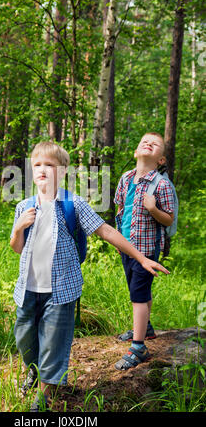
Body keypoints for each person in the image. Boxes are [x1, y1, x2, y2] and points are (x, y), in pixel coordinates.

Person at [10, 141, 169, 411]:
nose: (42, 170)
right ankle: (33, 370)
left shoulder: (73, 204)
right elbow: (18, 248)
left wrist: (141, 257)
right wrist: (18, 229)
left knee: (54, 341)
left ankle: (45, 396)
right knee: (24, 337)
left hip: (61, 289)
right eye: (37, 164)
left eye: (50, 165)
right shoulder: (24, 206)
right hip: (27, 289)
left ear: (62, 172)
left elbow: (106, 231)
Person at [114, 132, 175, 371]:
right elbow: (120, 206)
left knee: (138, 295)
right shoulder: (126, 178)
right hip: (126, 245)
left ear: (161, 159)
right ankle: (146, 328)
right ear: (136, 152)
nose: (148, 143)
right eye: (144, 141)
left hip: (147, 249)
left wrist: (153, 209)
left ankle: (138, 347)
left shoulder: (161, 184)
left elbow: (169, 219)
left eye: (155, 143)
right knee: (136, 288)